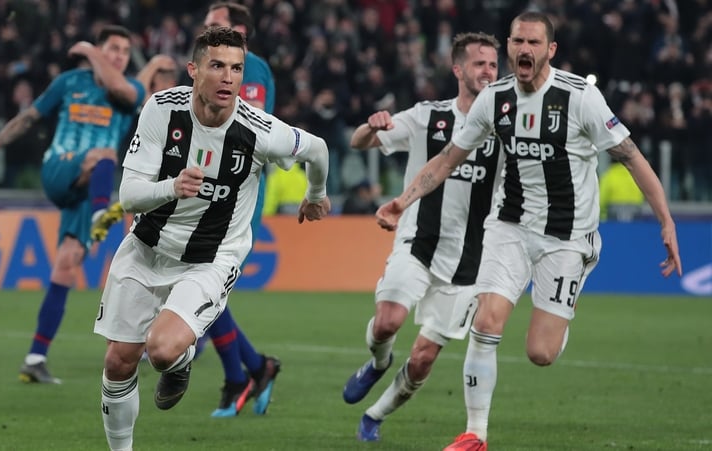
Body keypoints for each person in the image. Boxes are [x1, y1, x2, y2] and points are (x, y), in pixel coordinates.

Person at [374, 12, 683, 451]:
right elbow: (448, 159)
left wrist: (666, 221)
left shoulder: (581, 98)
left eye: (534, 42)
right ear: (509, 45)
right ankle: (474, 435)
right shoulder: (495, 99)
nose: (524, 49)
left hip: (568, 237)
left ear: (550, 50)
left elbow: (631, 157)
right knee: (487, 320)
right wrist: (404, 200)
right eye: (518, 41)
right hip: (510, 226)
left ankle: (562, 312)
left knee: (541, 352)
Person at [94, 26, 330, 451]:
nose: (228, 77)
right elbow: (129, 195)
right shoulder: (161, 110)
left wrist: (316, 195)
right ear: (194, 70)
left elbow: (318, 149)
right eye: (217, 66)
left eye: (236, 68)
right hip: (146, 248)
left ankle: (181, 359)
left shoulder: (258, 130)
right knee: (117, 361)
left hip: (209, 259)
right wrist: (172, 186)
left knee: (162, 350)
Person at [343, 32, 501, 442]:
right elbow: (360, 142)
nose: (487, 71)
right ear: (458, 69)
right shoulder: (428, 116)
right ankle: (377, 363)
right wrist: (370, 125)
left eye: (492, 65)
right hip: (418, 243)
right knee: (387, 323)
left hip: (469, 261)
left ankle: (374, 416)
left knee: (423, 360)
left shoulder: (506, 127)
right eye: (479, 64)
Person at [0, 25, 146, 384]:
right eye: (112, 48)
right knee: (102, 154)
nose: (119, 56)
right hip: (59, 169)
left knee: (66, 266)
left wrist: (89, 49)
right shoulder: (68, 82)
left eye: (125, 52)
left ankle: (35, 357)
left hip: (86, 188)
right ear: (101, 50)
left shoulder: (131, 92)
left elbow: (121, 88)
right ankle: (103, 212)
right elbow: (29, 118)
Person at [200, 1, 282, 419]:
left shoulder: (255, 70)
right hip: (204, 192)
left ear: (239, 35)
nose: (205, 28)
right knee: (202, 288)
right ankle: (254, 368)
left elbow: (252, 127)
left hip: (238, 197)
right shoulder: (203, 68)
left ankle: (241, 375)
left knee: (205, 287)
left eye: (215, 25)